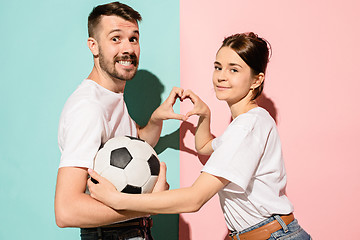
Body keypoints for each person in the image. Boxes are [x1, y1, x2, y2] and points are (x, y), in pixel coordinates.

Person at [87, 32, 312, 240]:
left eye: (234, 69)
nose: (221, 77)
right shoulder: (248, 123)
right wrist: (205, 115)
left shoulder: (247, 127)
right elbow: (205, 147)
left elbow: (195, 199)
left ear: (256, 80)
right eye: (218, 67)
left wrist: (118, 200)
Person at [55, 2, 185, 240]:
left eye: (133, 39)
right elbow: (66, 210)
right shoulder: (89, 108)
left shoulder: (112, 97)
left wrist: (155, 120)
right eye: (116, 39)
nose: (128, 49)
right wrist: (152, 204)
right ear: (93, 46)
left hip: (130, 231)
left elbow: (133, 150)